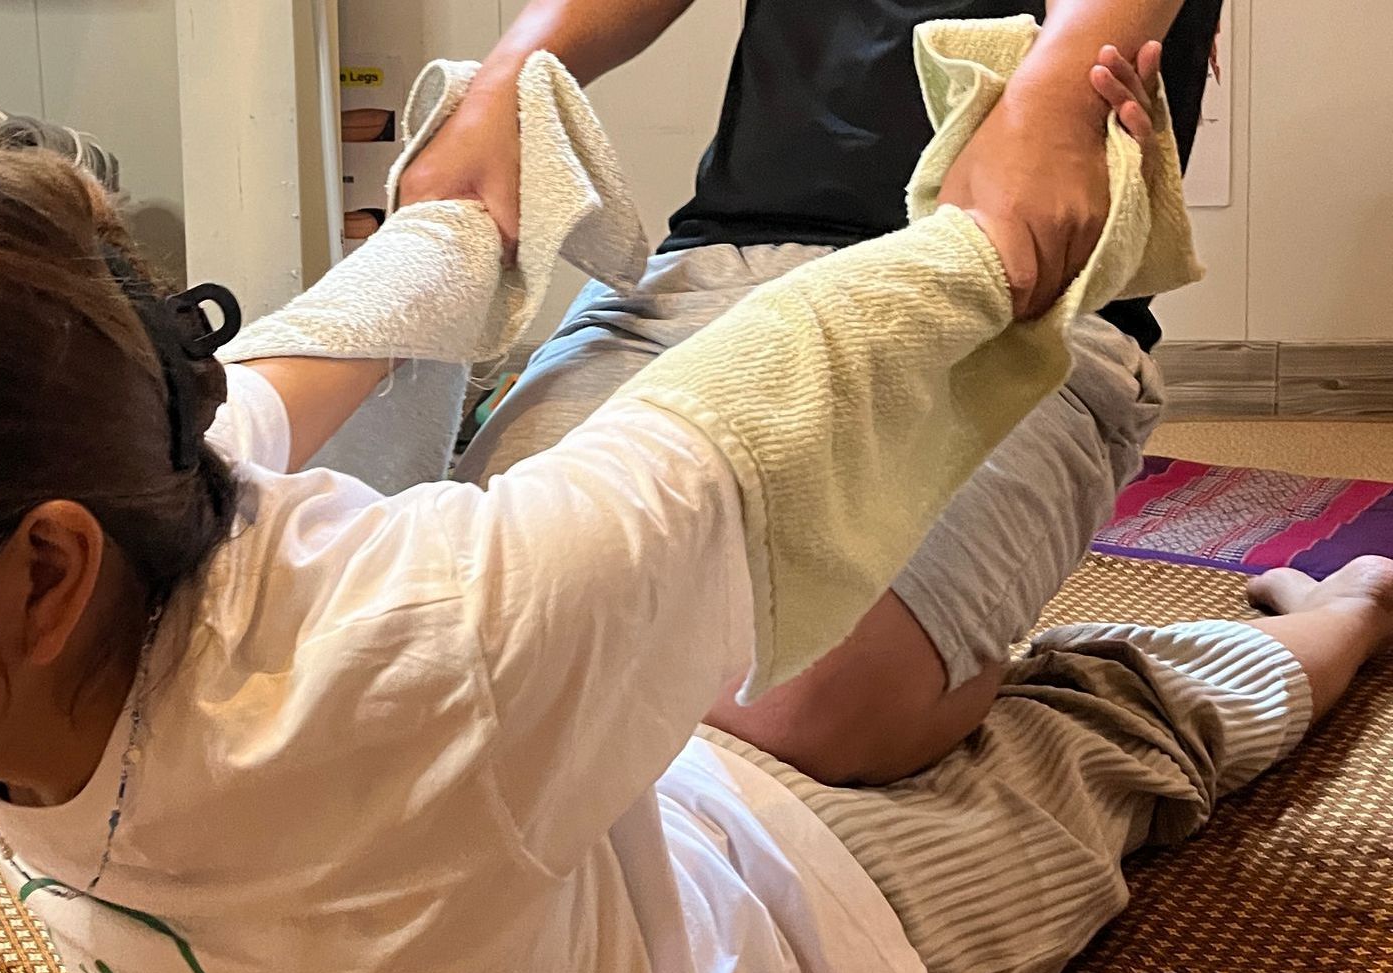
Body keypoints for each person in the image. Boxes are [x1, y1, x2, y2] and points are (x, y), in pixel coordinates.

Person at [0, 60, 1383, 973]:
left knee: (1087, 768)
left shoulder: (423, 647)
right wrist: (461, 219)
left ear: (47, 577)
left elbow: (738, 425)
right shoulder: (86, 561)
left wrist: (990, 241)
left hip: (785, 925)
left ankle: (1331, 625)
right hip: (558, 798)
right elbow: (263, 378)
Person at [404, 0, 1226, 786]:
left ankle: (1300, 644)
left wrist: (1054, 98)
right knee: (450, 627)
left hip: (1002, 293)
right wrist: (503, 82)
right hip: (717, 267)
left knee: (784, 700)